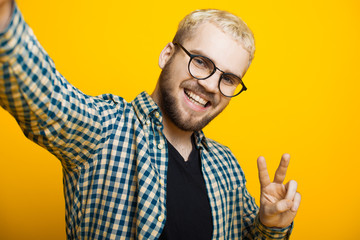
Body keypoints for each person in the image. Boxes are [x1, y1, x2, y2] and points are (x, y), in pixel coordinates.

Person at [0, 0, 301, 239]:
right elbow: (46, 97)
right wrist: (4, 21)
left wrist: (270, 226)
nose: (211, 85)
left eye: (229, 78)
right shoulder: (106, 129)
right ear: (167, 55)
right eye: (201, 62)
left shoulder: (227, 167)